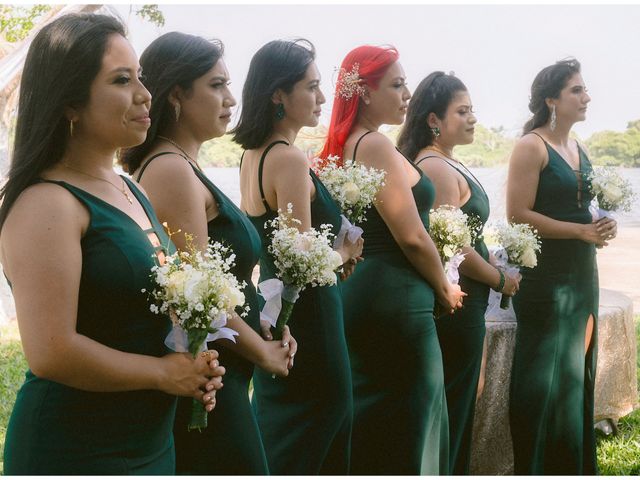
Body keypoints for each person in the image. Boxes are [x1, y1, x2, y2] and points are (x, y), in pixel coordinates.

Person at [0, 14, 224, 475]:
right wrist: (165, 373)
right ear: (69, 103)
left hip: (149, 442)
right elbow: (51, 350)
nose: (145, 94)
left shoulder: (132, 189)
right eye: (122, 80)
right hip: (76, 447)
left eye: (140, 77)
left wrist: (192, 358)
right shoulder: (49, 202)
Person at [121, 32, 297, 475]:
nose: (231, 99)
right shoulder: (170, 169)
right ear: (177, 93)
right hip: (210, 380)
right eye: (216, 86)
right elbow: (197, 293)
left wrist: (263, 325)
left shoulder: (185, 164)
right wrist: (263, 352)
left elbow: (221, 284)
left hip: (226, 369)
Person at [319, 46, 465, 475]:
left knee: (379, 416)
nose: (407, 94)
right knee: (414, 416)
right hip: (397, 299)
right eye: (397, 85)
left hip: (365, 293)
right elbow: (412, 235)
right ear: (364, 92)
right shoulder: (375, 144)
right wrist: (444, 285)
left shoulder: (346, 144)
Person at [232, 39, 362, 474]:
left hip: (277, 313)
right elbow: (301, 261)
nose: (323, 97)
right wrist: (343, 250)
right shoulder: (287, 159)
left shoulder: (252, 156)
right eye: (312, 86)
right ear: (278, 94)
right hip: (311, 320)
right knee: (322, 426)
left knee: (283, 432)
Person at [396, 71, 520, 474]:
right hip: (457, 304)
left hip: (468, 302)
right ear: (434, 119)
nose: (472, 119)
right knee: (454, 403)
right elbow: (456, 248)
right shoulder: (435, 168)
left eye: (473, 110)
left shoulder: (448, 161)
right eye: (462, 111)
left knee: (463, 399)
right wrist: (501, 279)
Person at [506, 58, 616, 475]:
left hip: (583, 274)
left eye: (585, 89)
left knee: (575, 373)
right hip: (546, 278)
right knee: (542, 378)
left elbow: (580, 211)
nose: (586, 97)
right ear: (551, 99)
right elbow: (518, 214)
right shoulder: (531, 146)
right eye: (577, 90)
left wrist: (599, 226)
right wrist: (580, 234)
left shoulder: (578, 147)